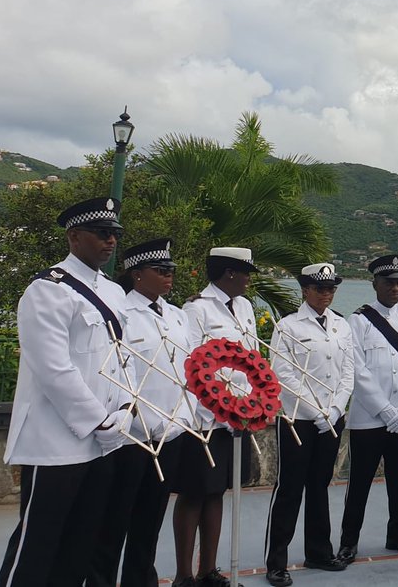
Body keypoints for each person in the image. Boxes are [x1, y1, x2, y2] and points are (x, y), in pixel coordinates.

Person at [0, 197, 131, 587]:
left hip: (103, 441)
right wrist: (98, 420)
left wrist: (125, 407)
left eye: (115, 234)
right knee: (37, 546)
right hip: (55, 442)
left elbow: (123, 358)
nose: (110, 241)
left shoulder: (113, 291)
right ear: (74, 237)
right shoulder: (47, 290)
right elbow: (53, 369)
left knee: (80, 545)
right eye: (102, 233)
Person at [92, 237, 196, 587]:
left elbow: (191, 372)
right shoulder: (121, 312)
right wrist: (139, 419)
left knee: (150, 520)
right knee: (113, 521)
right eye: (161, 270)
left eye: (171, 270)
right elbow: (116, 371)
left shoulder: (178, 316)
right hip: (130, 437)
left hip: (171, 434)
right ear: (137, 274)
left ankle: (140, 581)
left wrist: (183, 418)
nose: (169, 276)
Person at [263, 263, 355, 584]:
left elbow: (348, 372)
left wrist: (335, 409)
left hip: (331, 419)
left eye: (331, 289)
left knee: (319, 487)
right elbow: (282, 374)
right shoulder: (288, 327)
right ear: (305, 290)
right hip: (298, 420)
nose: (326, 294)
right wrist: (316, 410)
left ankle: (318, 551)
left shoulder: (342, 326)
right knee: (289, 489)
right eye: (320, 289)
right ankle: (277, 561)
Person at [173, 247, 260, 587]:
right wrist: (219, 411)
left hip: (237, 418)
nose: (249, 278)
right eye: (245, 272)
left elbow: (252, 360)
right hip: (204, 420)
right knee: (194, 493)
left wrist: (247, 408)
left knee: (217, 491)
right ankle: (184, 575)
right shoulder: (196, 310)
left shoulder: (245, 307)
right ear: (228, 274)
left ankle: (208, 569)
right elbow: (193, 368)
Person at [336, 254, 398, 565]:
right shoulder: (359, 320)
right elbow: (357, 370)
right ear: (374, 283)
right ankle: (349, 541)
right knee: (359, 481)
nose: (395, 288)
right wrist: (386, 410)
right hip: (369, 418)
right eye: (389, 283)